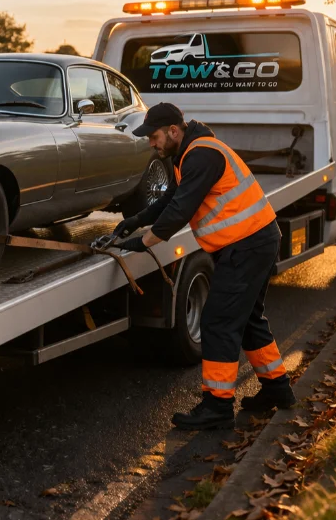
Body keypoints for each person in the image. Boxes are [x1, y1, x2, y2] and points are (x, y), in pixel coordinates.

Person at [113, 102, 296, 430]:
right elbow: (170, 198)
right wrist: (135, 221)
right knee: (249, 319)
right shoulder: (188, 154)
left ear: (173, 131)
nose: (151, 144)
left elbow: (180, 211)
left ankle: (217, 405)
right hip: (252, 241)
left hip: (247, 245)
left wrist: (143, 242)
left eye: (154, 137)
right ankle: (278, 390)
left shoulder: (201, 155)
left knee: (217, 320)